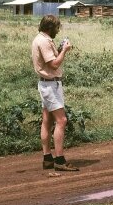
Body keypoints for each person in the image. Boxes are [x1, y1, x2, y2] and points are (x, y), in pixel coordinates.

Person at [31, 15, 78, 171]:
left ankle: (47, 158)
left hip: (45, 84)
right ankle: (60, 159)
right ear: (50, 27)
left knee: (47, 120)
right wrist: (64, 50)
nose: (58, 31)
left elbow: (48, 61)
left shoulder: (40, 39)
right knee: (61, 120)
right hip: (51, 86)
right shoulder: (44, 41)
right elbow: (54, 64)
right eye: (57, 28)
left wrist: (58, 50)